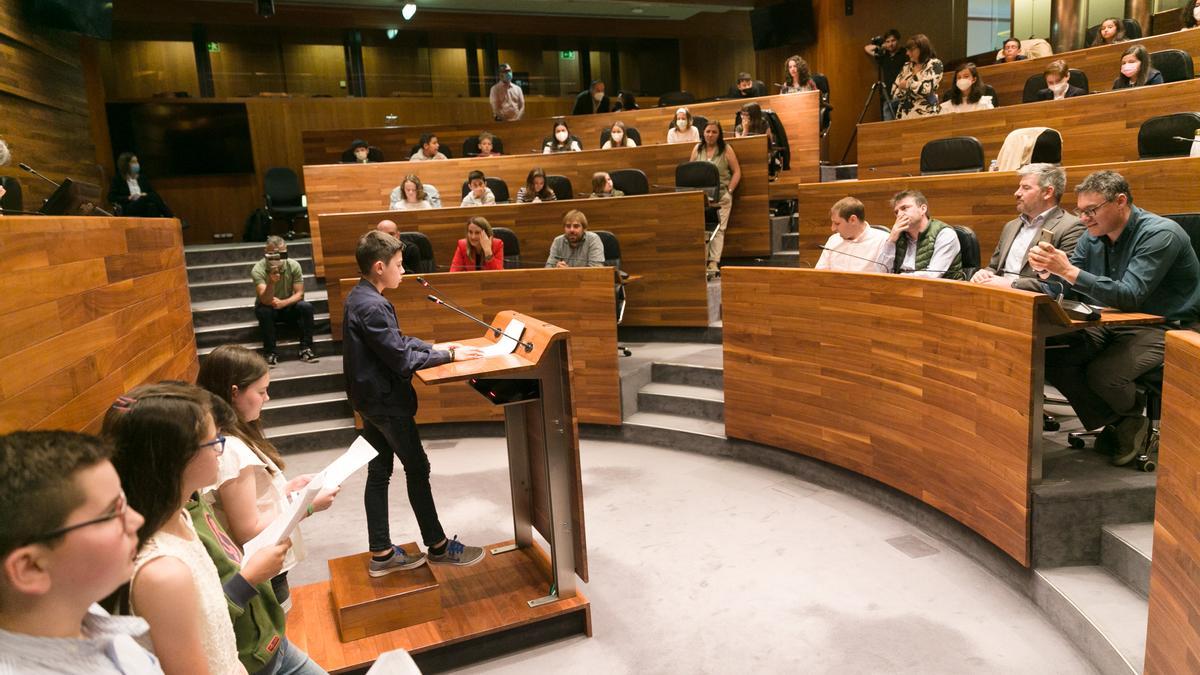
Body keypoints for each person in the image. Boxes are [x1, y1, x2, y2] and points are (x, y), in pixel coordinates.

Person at [103, 382, 305, 675]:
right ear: (173, 459)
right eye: (214, 441)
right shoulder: (160, 571)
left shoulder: (183, 511)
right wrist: (248, 579)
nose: (221, 450)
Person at [1028, 170, 1200, 465]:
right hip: (1111, 321)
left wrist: (1067, 270)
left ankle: (1128, 419)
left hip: (1165, 325)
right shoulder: (1091, 236)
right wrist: (1049, 271)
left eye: (1091, 210)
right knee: (1051, 352)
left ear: (1120, 202)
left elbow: (1131, 295)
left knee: (1104, 374)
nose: (1084, 218)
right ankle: (1125, 422)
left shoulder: (1161, 234)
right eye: (1080, 211)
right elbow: (1071, 284)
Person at [343, 231, 487, 573]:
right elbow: (402, 360)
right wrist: (449, 354)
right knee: (417, 467)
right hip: (386, 403)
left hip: (369, 400)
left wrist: (436, 349)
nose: (403, 270)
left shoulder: (360, 295)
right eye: (398, 264)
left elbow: (398, 342)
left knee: (379, 471)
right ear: (380, 267)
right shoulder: (374, 304)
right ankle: (437, 545)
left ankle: (381, 552)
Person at [0, 430, 162, 674]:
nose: (137, 520)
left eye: (123, 502)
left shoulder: (79, 611)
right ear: (31, 567)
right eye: (111, 513)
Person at [197, 345, 339, 612]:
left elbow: (252, 501)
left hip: (268, 567)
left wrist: (287, 490)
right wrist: (306, 506)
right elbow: (247, 529)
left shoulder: (237, 436)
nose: (267, 398)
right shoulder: (230, 449)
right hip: (260, 571)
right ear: (234, 392)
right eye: (261, 391)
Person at [970, 164, 1085, 290]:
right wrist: (984, 274)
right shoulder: (1011, 226)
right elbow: (994, 266)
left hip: (1035, 304)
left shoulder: (1071, 227)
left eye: (1025, 188)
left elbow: (1064, 283)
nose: (1017, 193)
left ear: (1047, 192)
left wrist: (1012, 284)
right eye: (1019, 187)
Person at [251, 236, 317, 367]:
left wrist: (283, 303)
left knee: (306, 307)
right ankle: (270, 353)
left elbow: (300, 294)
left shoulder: (294, 265)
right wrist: (271, 282)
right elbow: (265, 299)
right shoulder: (258, 269)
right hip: (268, 307)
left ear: (286, 251)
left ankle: (306, 348)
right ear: (266, 252)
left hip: (286, 305)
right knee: (263, 311)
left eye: (281, 254)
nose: (278, 257)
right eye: (272, 254)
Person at [690, 121, 741, 279]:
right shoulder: (697, 149)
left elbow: (737, 172)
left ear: (719, 135)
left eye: (714, 132)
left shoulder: (726, 149)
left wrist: (730, 192)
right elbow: (690, 171)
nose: (710, 135)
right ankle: (703, 261)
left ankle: (713, 262)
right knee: (703, 230)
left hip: (721, 197)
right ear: (703, 133)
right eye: (707, 131)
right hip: (701, 198)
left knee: (719, 230)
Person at [874, 189, 963, 279]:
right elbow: (881, 273)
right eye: (896, 212)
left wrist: (897, 277)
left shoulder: (945, 234)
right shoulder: (897, 236)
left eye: (904, 208)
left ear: (923, 209)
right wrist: (891, 241)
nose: (899, 214)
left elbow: (932, 275)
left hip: (940, 290)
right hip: (902, 289)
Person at [814, 197, 889, 272]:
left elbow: (886, 276)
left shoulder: (882, 240)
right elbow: (819, 273)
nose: (833, 228)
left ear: (853, 220)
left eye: (837, 223)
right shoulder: (834, 239)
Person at [891, 34, 944, 119]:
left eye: (910, 50)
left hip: (927, 114)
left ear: (922, 49)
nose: (907, 53)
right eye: (907, 50)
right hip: (904, 116)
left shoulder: (935, 64)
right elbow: (894, 92)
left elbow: (926, 89)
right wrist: (914, 87)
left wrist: (906, 85)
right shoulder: (906, 66)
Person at [108, 152, 174, 218]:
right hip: (129, 206)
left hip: (143, 202)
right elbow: (111, 197)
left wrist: (143, 195)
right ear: (126, 164)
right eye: (133, 162)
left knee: (152, 206)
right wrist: (129, 198)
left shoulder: (142, 178)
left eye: (137, 161)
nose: (137, 164)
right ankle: (170, 216)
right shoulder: (118, 179)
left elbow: (151, 192)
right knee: (152, 197)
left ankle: (160, 226)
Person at [864, 29, 906, 119]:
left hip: (902, 94)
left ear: (898, 40)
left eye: (893, 41)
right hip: (888, 95)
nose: (890, 44)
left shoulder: (905, 53)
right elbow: (867, 48)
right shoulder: (883, 54)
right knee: (888, 124)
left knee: (903, 123)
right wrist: (881, 47)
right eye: (888, 41)